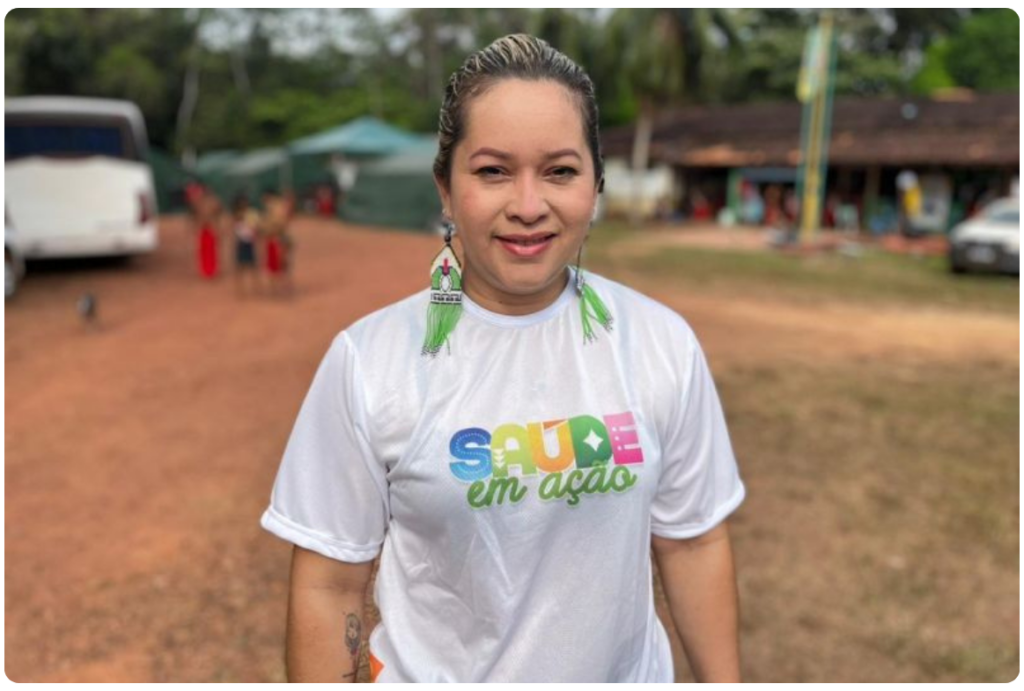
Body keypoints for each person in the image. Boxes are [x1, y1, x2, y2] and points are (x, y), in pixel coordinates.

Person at [261, 34, 746, 685]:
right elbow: (329, 584)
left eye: (560, 171)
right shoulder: (369, 362)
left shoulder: (661, 343)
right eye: (493, 170)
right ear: (445, 188)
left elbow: (692, 540)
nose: (526, 205)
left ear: (596, 185)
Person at [231, 194, 261, 297]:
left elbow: (256, 227)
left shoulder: (252, 214)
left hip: (249, 242)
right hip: (241, 242)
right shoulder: (236, 215)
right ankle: (240, 290)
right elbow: (234, 228)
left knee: (253, 266)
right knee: (239, 267)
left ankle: (256, 288)